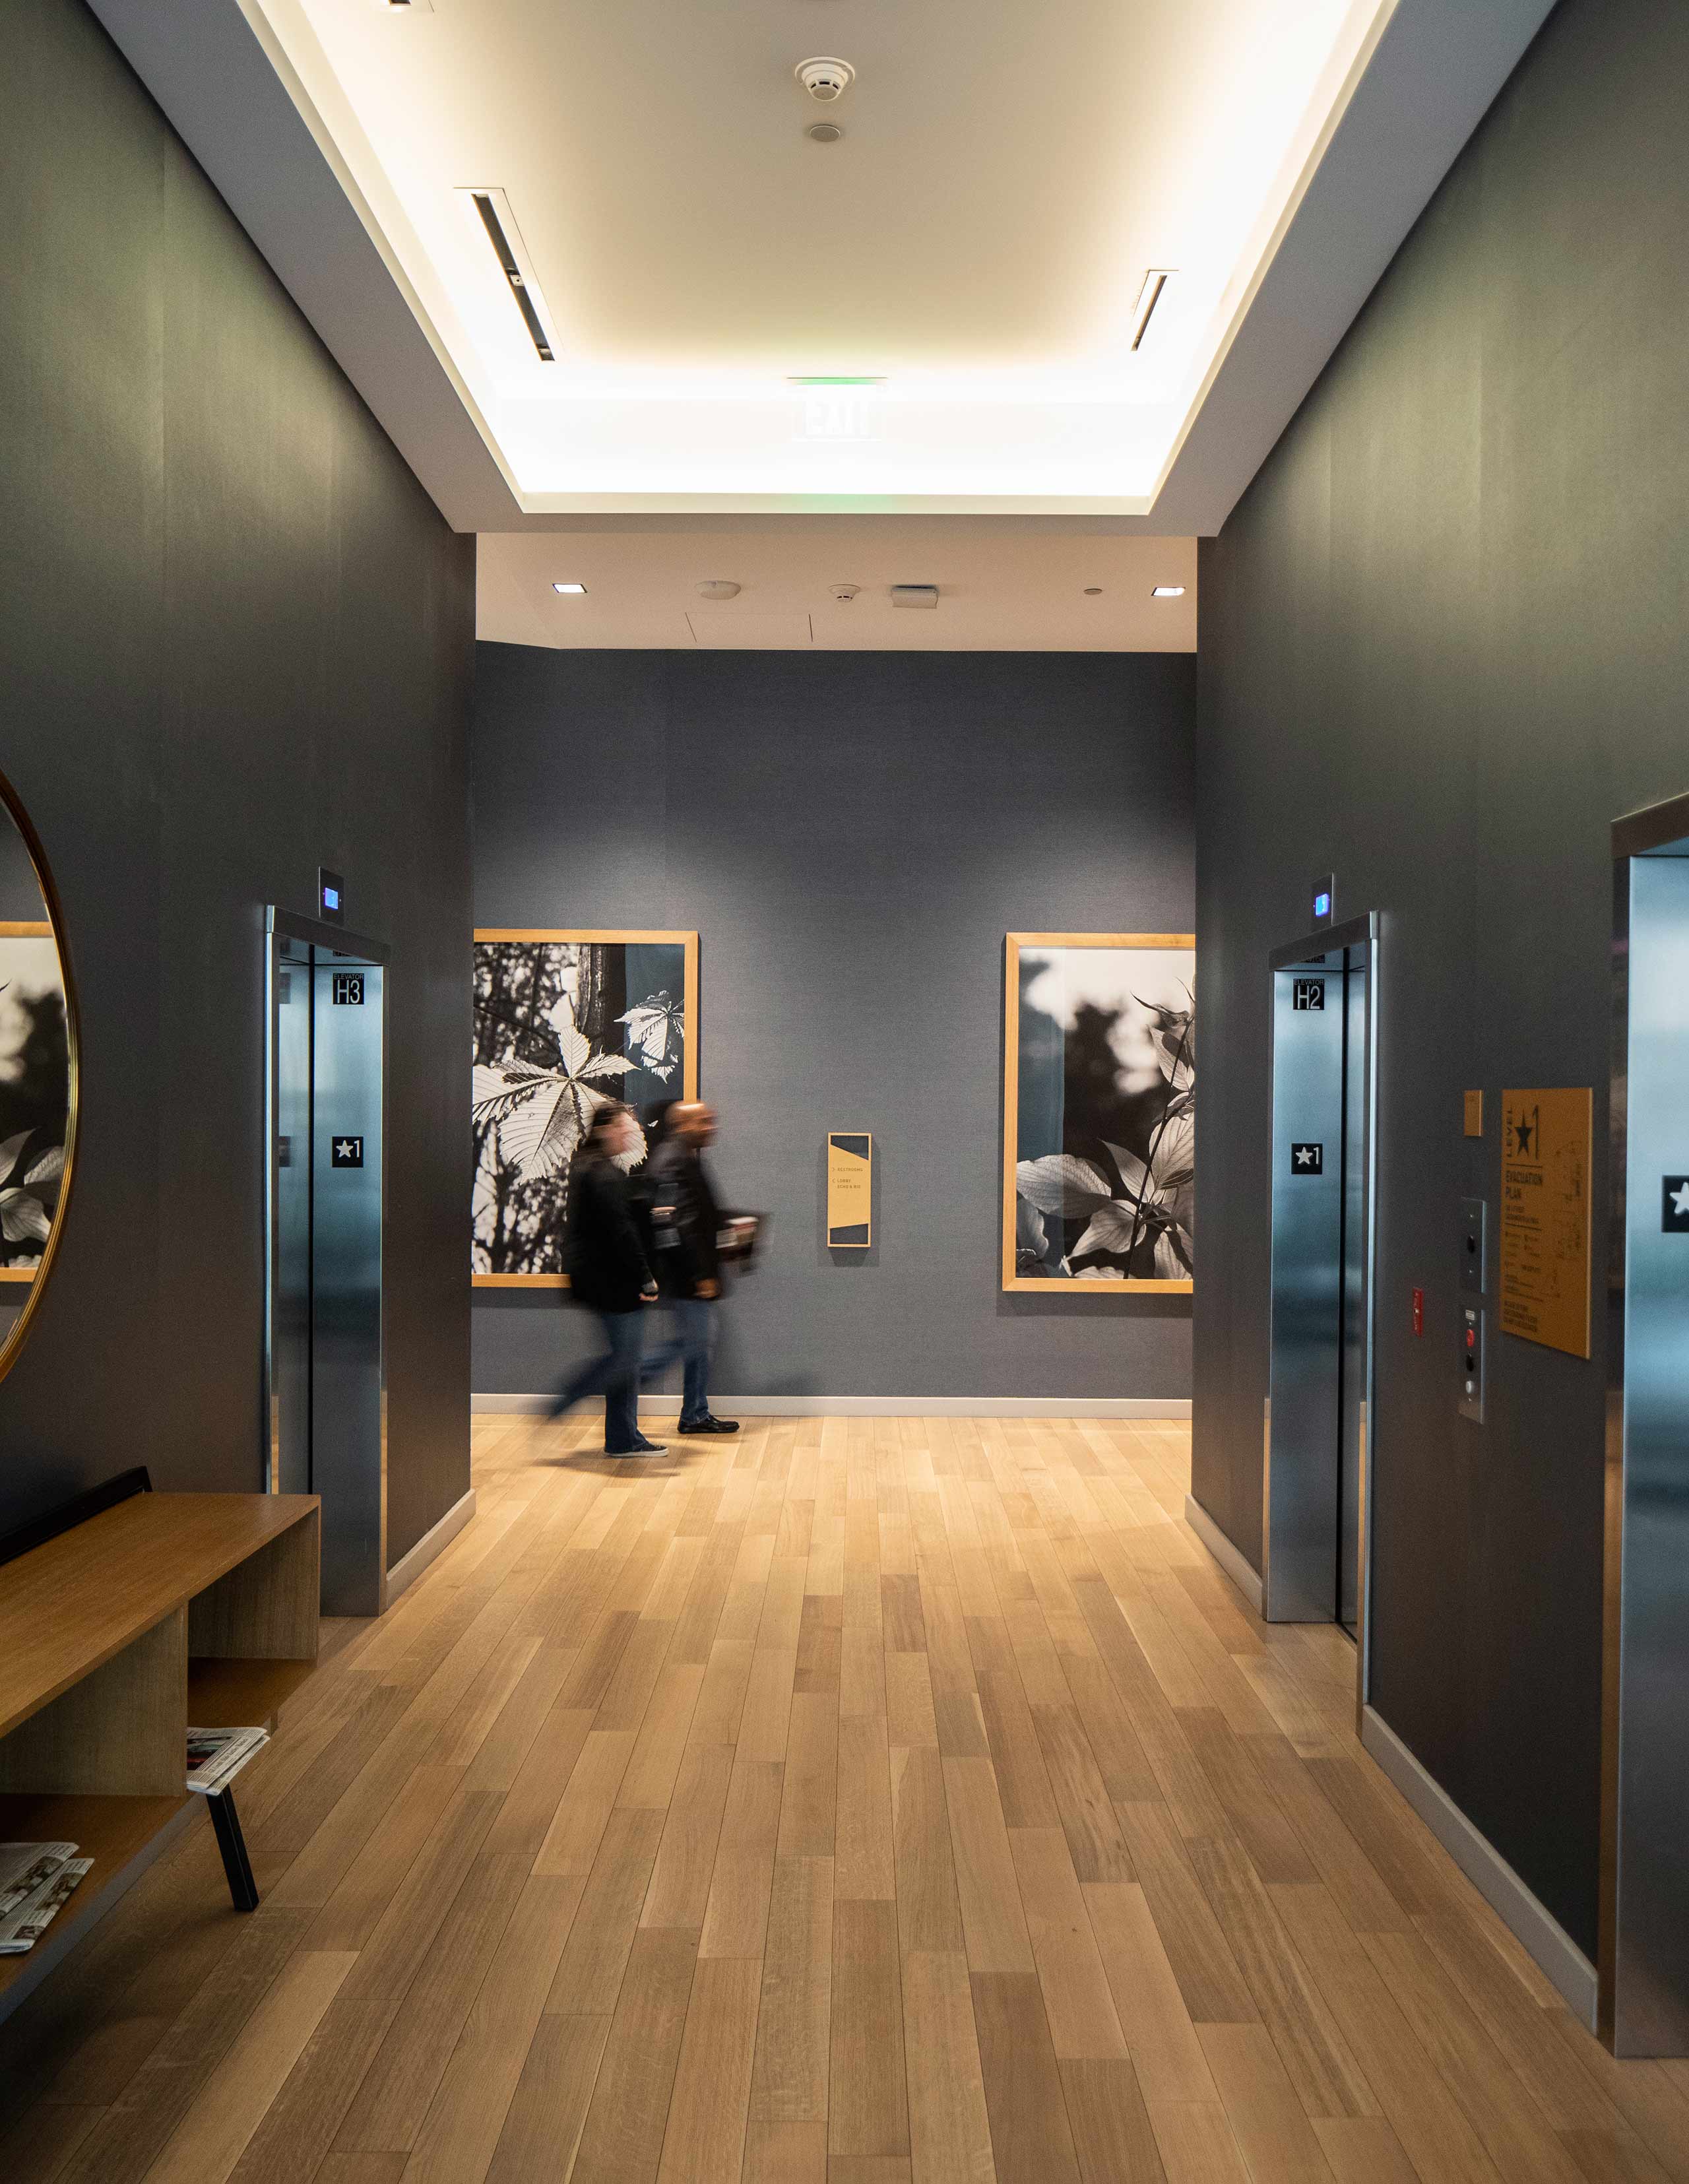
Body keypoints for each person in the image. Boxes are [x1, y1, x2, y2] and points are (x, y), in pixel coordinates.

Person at [548, 1102, 667, 1457]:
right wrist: (646, 1278)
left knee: (624, 1361)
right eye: (622, 1126)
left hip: (607, 1281)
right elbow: (621, 1232)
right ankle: (566, 1400)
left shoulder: (595, 1169)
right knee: (622, 1362)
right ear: (603, 1129)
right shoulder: (601, 1174)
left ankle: (622, 1438)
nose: (628, 1132)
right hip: (613, 1284)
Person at [646, 1100, 740, 1436]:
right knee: (691, 1343)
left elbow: (698, 1216)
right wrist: (701, 1274)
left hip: (690, 1274)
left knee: (698, 1343)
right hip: (688, 1276)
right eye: (704, 1121)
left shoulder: (682, 1158)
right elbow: (680, 1225)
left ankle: (695, 1413)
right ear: (683, 1125)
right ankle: (626, 1376)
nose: (711, 1127)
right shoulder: (673, 1162)